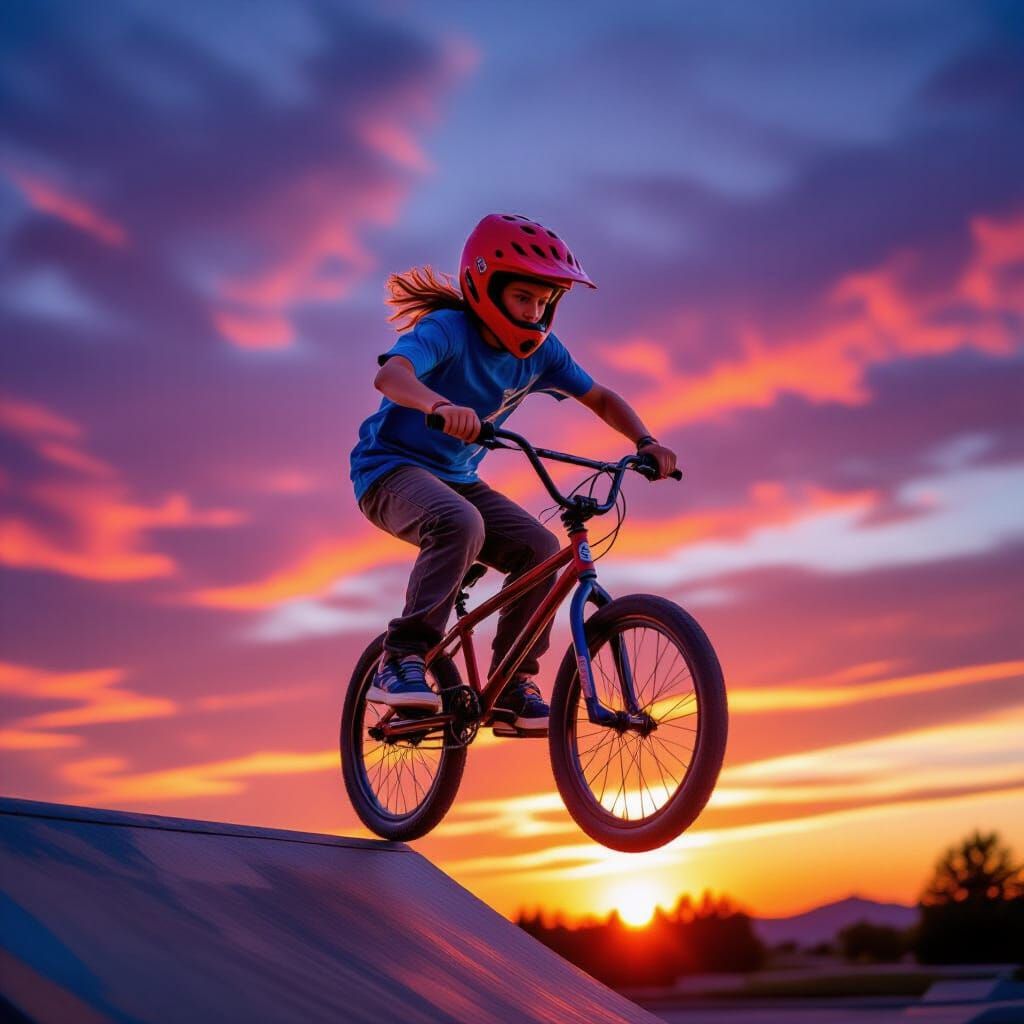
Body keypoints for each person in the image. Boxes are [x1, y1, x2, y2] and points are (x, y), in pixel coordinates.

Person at [349, 213, 677, 737]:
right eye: (523, 298)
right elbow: (391, 374)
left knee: (541, 550)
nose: (535, 312)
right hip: (388, 471)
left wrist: (645, 441)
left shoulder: (543, 354)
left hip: (457, 476)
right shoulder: (448, 331)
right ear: (485, 288)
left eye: (545, 302)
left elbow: (601, 397)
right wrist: (439, 405)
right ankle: (401, 656)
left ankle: (511, 686)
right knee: (460, 523)